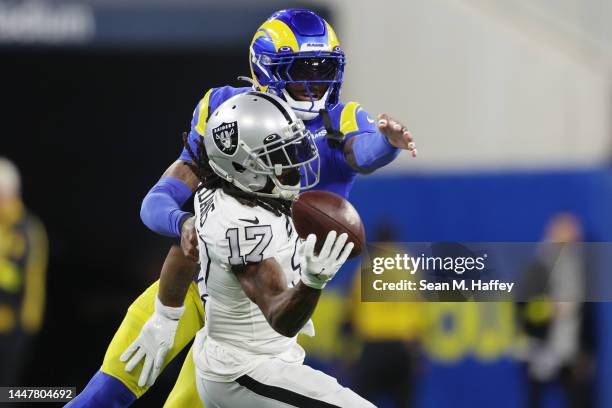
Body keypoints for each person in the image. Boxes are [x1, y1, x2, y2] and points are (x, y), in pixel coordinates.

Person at [68, 8, 416, 407]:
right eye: (302, 69)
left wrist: (387, 144)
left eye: (323, 69)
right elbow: (160, 200)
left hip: (266, 299)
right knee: (107, 391)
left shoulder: (339, 120)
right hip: (204, 284)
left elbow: (364, 152)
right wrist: (182, 226)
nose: (315, 81)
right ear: (267, 69)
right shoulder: (229, 111)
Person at [184, 91, 373, 407]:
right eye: (278, 157)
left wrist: (167, 309)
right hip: (246, 370)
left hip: (255, 360)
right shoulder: (240, 224)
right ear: (242, 166)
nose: (294, 167)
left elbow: (183, 251)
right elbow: (280, 317)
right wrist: (312, 283)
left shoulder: (234, 187)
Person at [0, 157, 48, 385]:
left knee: (5, 392)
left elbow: (33, 282)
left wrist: (26, 329)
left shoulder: (28, 229)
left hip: (11, 329)